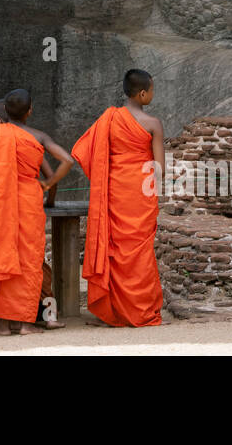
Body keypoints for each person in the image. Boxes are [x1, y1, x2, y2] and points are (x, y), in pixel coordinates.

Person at [0, 89, 72, 335]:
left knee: (2, 257)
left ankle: (3, 324)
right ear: (30, 111)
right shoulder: (37, 136)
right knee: (30, 262)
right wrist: (48, 186)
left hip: (0, 208)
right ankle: (27, 324)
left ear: (2, 114)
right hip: (29, 205)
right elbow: (68, 160)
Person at [71, 69, 164, 327]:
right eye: (152, 90)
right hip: (140, 193)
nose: (153, 94)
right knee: (140, 252)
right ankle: (140, 309)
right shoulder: (153, 123)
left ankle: (115, 309)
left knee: (115, 249)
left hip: (114, 192)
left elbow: (86, 152)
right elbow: (159, 169)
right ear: (143, 93)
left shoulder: (109, 119)